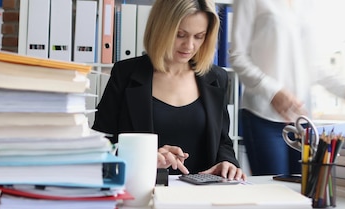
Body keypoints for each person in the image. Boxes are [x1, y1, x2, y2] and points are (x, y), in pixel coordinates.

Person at [92, 0, 246, 180]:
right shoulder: (125, 74)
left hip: (202, 195)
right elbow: (100, 145)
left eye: (199, 36)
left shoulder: (216, 78)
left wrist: (228, 162)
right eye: (180, 35)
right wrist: (144, 157)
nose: (189, 46)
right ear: (161, 29)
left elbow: (222, 142)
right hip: (143, 190)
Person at [229, 0, 345, 176]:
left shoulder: (308, 4)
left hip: (303, 121)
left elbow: (314, 65)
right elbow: (237, 56)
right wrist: (273, 91)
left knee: (306, 194)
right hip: (263, 117)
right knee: (275, 194)